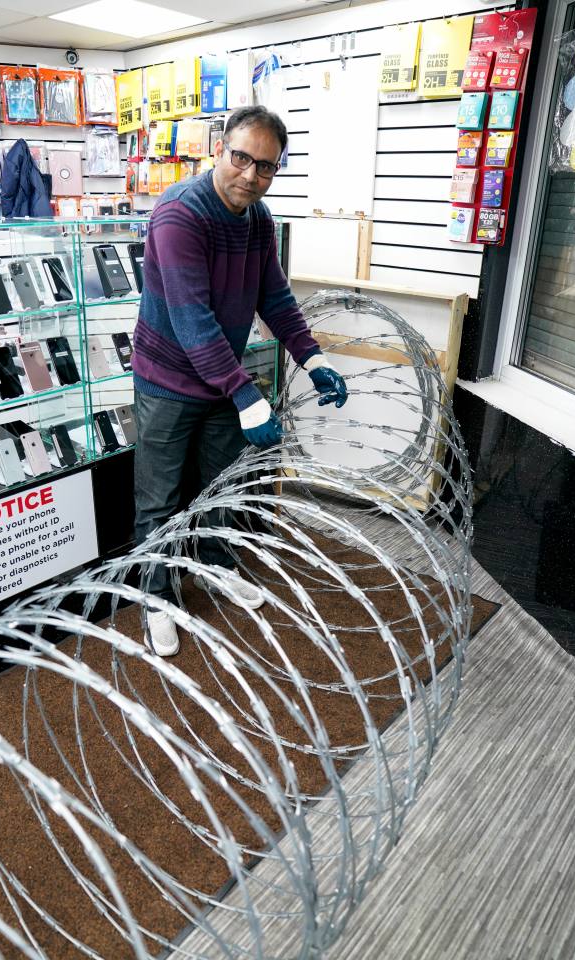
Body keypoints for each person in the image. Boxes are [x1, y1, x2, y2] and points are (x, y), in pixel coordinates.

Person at [132, 104, 348, 657]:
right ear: (219, 150)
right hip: (168, 381)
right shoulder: (180, 214)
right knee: (159, 501)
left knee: (221, 486)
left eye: (267, 166)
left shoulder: (258, 219)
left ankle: (215, 566)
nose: (251, 175)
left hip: (221, 381)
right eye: (241, 158)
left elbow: (272, 294)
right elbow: (191, 316)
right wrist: (245, 393)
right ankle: (157, 596)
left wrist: (312, 356)